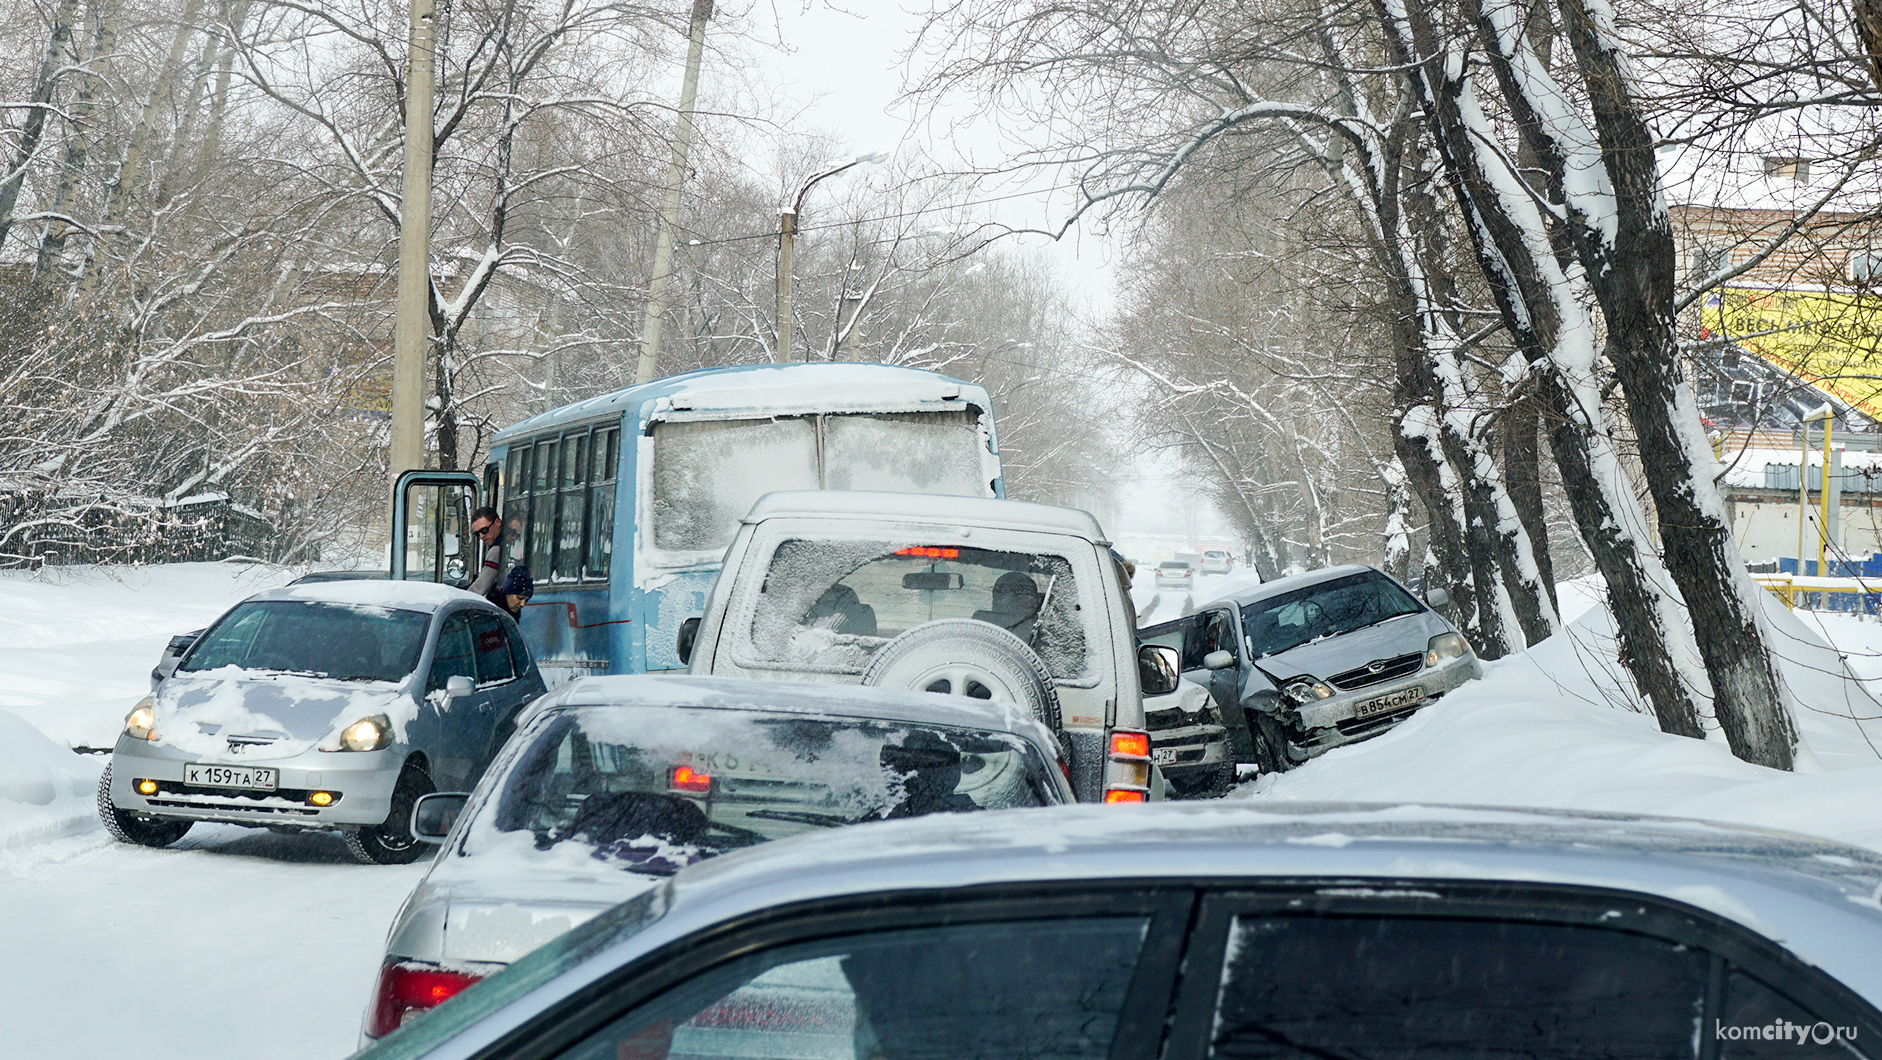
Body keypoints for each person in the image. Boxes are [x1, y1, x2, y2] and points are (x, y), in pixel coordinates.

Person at [467, 507, 509, 611]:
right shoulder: (507, 541)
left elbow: (481, 587)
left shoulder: (497, 550)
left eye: (484, 530)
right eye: (477, 533)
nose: (481, 536)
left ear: (497, 522)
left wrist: (461, 598)